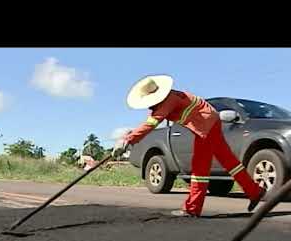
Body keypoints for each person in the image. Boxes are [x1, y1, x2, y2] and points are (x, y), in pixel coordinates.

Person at [112, 75, 266, 217]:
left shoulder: (169, 100)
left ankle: (192, 208)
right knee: (228, 160)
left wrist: (128, 140)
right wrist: (128, 137)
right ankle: (254, 191)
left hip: (206, 125)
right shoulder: (169, 98)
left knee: (200, 166)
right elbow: (150, 119)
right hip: (210, 121)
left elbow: (152, 123)